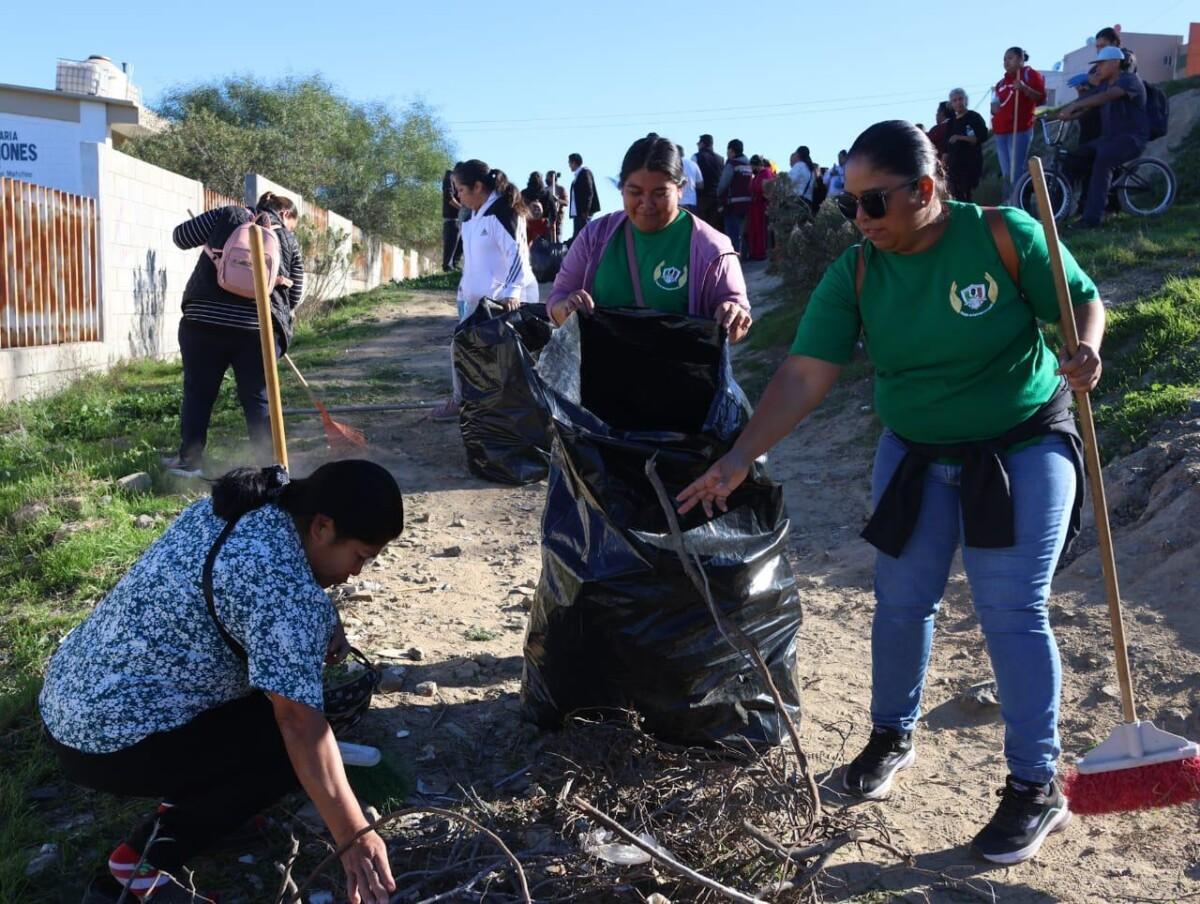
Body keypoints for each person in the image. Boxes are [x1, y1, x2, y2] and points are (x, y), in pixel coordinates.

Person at [678, 119, 1105, 866]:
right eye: (849, 205)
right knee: (903, 599)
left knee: (1011, 606)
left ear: (925, 189)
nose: (860, 220)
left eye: (873, 202)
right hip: (915, 453)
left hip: (1024, 443)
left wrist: (1087, 349)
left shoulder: (1004, 235)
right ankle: (890, 737)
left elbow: (1081, 300)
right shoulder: (858, 272)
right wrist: (741, 455)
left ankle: (1036, 786)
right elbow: (806, 372)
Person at [40, 460, 405, 904]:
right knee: (288, 746)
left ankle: (214, 807)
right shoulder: (285, 594)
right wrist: (354, 835)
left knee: (278, 709)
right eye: (360, 557)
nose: (357, 574)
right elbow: (300, 727)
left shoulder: (249, 506)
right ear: (322, 527)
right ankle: (138, 864)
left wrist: (322, 620)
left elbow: (253, 594)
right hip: (108, 743)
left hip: (70, 702)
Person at [547, 134, 751, 341]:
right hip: (600, 361)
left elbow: (737, 322)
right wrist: (567, 308)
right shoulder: (593, 237)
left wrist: (733, 317)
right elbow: (557, 299)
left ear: (680, 189)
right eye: (635, 192)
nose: (647, 203)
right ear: (621, 189)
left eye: (660, 193)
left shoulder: (712, 249)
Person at [163, 192, 306, 479]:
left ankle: (190, 462)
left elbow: (181, 237)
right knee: (259, 399)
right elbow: (295, 295)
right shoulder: (288, 240)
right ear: (285, 215)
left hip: (204, 321)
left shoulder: (226, 214)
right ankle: (271, 470)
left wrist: (217, 243)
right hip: (258, 331)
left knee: (198, 393)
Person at [431, 161, 539, 422]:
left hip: (500, 302)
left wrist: (512, 292)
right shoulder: (473, 215)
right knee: (466, 350)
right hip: (473, 300)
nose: (458, 196)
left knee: (500, 360)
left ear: (478, 186)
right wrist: (463, 290)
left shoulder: (503, 211)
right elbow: (473, 260)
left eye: (460, 190)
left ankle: (475, 404)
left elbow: (517, 254)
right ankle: (468, 402)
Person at [1053, 45, 1150, 229]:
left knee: (1103, 161)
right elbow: (1087, 105)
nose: (1098, 68)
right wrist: (1065, 115)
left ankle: (1092, 219)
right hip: (1108, 139)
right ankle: (1056, 213)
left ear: (1115, 63)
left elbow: (1106, 97)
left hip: (1131, 139)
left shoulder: (1129, 80)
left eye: (1102, 64)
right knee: (1074, 159)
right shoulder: (1104, 85)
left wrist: (1076, 106)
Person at [991, 48, 1047, 201]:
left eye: (1010, 58)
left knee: (1016, 170)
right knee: (1006, 172)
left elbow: (1041, 98)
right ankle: (1008, 201)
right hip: (1001, 132)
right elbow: (995, 106)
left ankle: (1017, 202)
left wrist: (1024, 88)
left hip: (1019, 129)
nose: (1006, 62)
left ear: (1021, 60)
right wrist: (994, 108)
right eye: (1004, 59)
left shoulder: (1030, 74)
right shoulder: (1001, 83)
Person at [945, 88, 990, 202]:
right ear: (951, 104)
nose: (958, 102)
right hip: (954, 168)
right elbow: (947, 145)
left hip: (970, 165)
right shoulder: (951, 122)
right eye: (954, 100)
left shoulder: (974, 117)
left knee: (969, 196)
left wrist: (960, 138)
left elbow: (982, 136)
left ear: (966, 100)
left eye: (960, 99)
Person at [717, 138, 754, 253]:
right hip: (746, 204)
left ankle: (734, 259)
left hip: (732, 205)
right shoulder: (748, 165)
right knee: (742, 233)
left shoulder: (732, 164)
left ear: (732, 151)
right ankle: (743, 255)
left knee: (732, 235)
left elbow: (723, 185)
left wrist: (718, 195)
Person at [745, 155, 774, 262]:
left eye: (752, 166)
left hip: (762, 206)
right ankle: (754, 252)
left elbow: (767, 191)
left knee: (761, 229)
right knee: (754, 230)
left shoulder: (766, 174)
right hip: (754, 206)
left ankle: (761, 252)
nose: (751, 168)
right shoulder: (757, 175)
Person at [693, 134, 725, 230]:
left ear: (702, 144)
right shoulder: (721, 159)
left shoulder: (696, 157)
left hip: (701, 199)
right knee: (714, 229)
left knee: (701, 228)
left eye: (698, 143)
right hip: (716, 199)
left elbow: (693, 178)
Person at [568, 153, 600, 241]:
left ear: (574, 162)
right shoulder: (578, 175)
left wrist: (586, 210)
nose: (569, 165)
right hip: (577, 212)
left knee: (584, 236)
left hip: (583, 212)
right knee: (577, 236)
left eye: (570, 163)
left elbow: (589, 192)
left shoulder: (584, 172)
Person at [442, 167, 463, 271]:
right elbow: (449, 197)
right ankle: (447, 267)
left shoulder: (458, 180)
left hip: (460, 219)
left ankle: (454, 265)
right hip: (452, 218)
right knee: (451, 244)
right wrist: (462, 208)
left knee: (461, 244)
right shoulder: (449, 177)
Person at [679, 143, 704, 214]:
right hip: (691, 202)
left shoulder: (672, 164)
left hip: (678, 202)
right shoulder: (693, 164)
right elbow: (701, 185)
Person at [547, 171, 568, 242]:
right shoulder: (546, 189)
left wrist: (557, 200)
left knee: (557, 238)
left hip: (558, 217)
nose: (546, 180)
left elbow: (566, 202)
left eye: (547, 177)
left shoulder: (560, 189)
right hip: (547, 218)